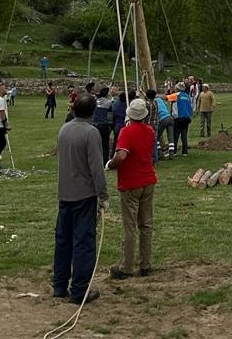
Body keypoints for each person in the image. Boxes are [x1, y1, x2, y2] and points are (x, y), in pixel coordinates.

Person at [52, 94, 107, 304]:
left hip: (65, 193)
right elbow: (96, 168)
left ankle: (59, 285)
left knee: (63, 241)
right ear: (93, 112)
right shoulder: (91, 133)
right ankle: (79, 291)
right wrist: (103, 195)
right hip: (84, 196)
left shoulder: (64, 128)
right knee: (83, 244)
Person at [107, 98, 158, 279]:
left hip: (130, 183)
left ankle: (127, 266)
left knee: (130, 226)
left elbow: (121, 155)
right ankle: (145, 263)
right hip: (148, 180)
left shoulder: (126, 132)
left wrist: (111, 164)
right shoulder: (150, 131)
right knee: (146, 224)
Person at [92, 87, 113, 163]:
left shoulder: (95, 101)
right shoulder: (109, 102)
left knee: (95, 144)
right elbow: (110, 113)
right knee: (105, 144)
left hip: (94, 124)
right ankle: (105, 161)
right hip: (103, 125)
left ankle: (95, 159)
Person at [172, 83, 193, 156]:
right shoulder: (187, 96)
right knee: (184, 135)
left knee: (176, 135)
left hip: (178, 118)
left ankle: (174, 151)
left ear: (177, 88)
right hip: (187, 118)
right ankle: (185, 152)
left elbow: (165, 97)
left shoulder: (176, 95)